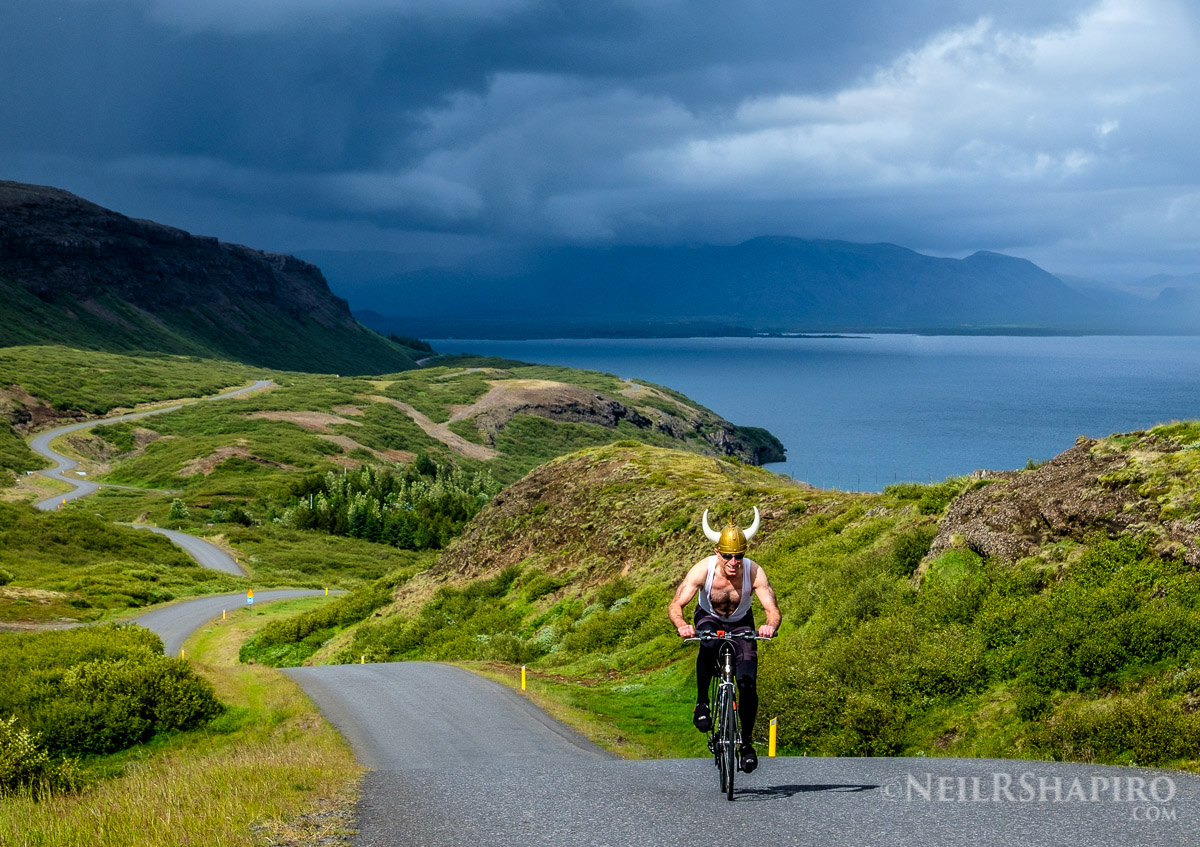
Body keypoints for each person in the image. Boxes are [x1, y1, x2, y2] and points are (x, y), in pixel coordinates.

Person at [667, 506, 781, 774]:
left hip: (742, 622)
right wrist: (683, 625)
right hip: (709, 617)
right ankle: (702, 703)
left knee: (748, 685)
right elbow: (676, 604)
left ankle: (747, 745)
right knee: (708, 642)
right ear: (717, 553)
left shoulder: (754, 573)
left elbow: (772, 610)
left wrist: (769, 626)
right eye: (728, 556)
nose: (733, 562)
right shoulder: (702, 570)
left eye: (739, 556)